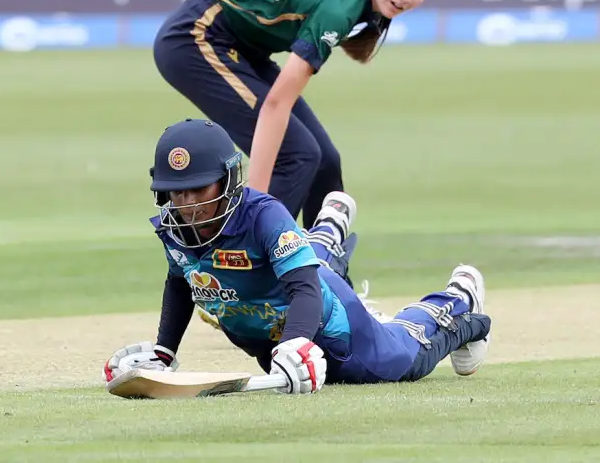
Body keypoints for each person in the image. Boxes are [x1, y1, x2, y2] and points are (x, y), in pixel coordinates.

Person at [102, 119, 491, 393]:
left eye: (198, 189)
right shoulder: (175, 230)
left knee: (408, 357)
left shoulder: (264, 216)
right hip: (273, 337)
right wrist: (163, 353)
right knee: (301, 257)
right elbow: (180, 283)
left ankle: (456, 300)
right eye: (176, 192)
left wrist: (296, 344)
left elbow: (305, 287)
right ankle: (326, 234)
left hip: (338, 336)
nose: (187, 205)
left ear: (228, 179)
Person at [153, 0, 445, 229]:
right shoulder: (338, 9)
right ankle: (248, 259)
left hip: (242, 46)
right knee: (296, 156)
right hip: (196, 37)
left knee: (324, 162)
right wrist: (257, 201)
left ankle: (322, 265)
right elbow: (276, 105)